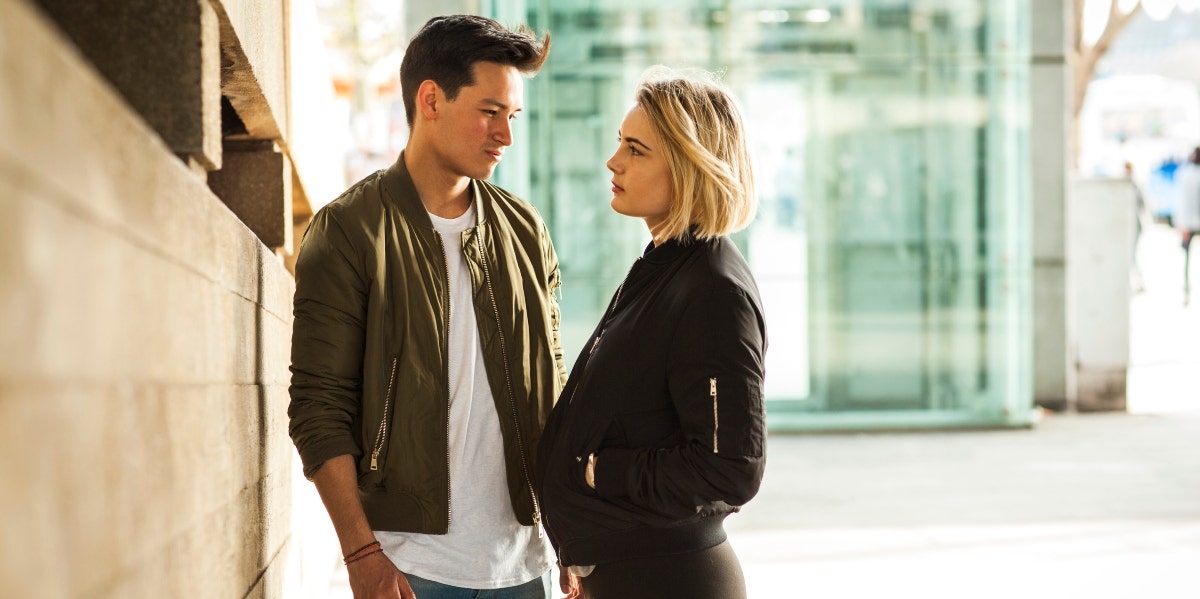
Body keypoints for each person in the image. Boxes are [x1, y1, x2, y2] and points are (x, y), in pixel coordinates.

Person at [287, 15, 564, 599]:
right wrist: (361, 553)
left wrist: (575, 539)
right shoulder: (349, 232)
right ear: (430, 99)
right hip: (406, 568)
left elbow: (551, 392)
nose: (505, 136)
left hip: (524, 565)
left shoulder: (525, 231)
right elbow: (318, 407)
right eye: (490, 112)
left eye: (512, 116)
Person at [535, 67, 768, 599]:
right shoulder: (666, 267)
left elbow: (730, 469)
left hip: (668, 579)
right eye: (620, 142)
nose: (613, 161)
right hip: (626, 574)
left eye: (636, 150)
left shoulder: (711, 291)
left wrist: (599, 473)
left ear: (689, 167)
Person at [1175, 147, 1200, 304]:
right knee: (1187, 260)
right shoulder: (1187, 174)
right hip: (1189, 221)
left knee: (1187, 259)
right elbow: (1182, 200)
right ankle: (1186, 290)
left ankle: (1187, 291)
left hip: (1189, 221)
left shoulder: (1186, 174)